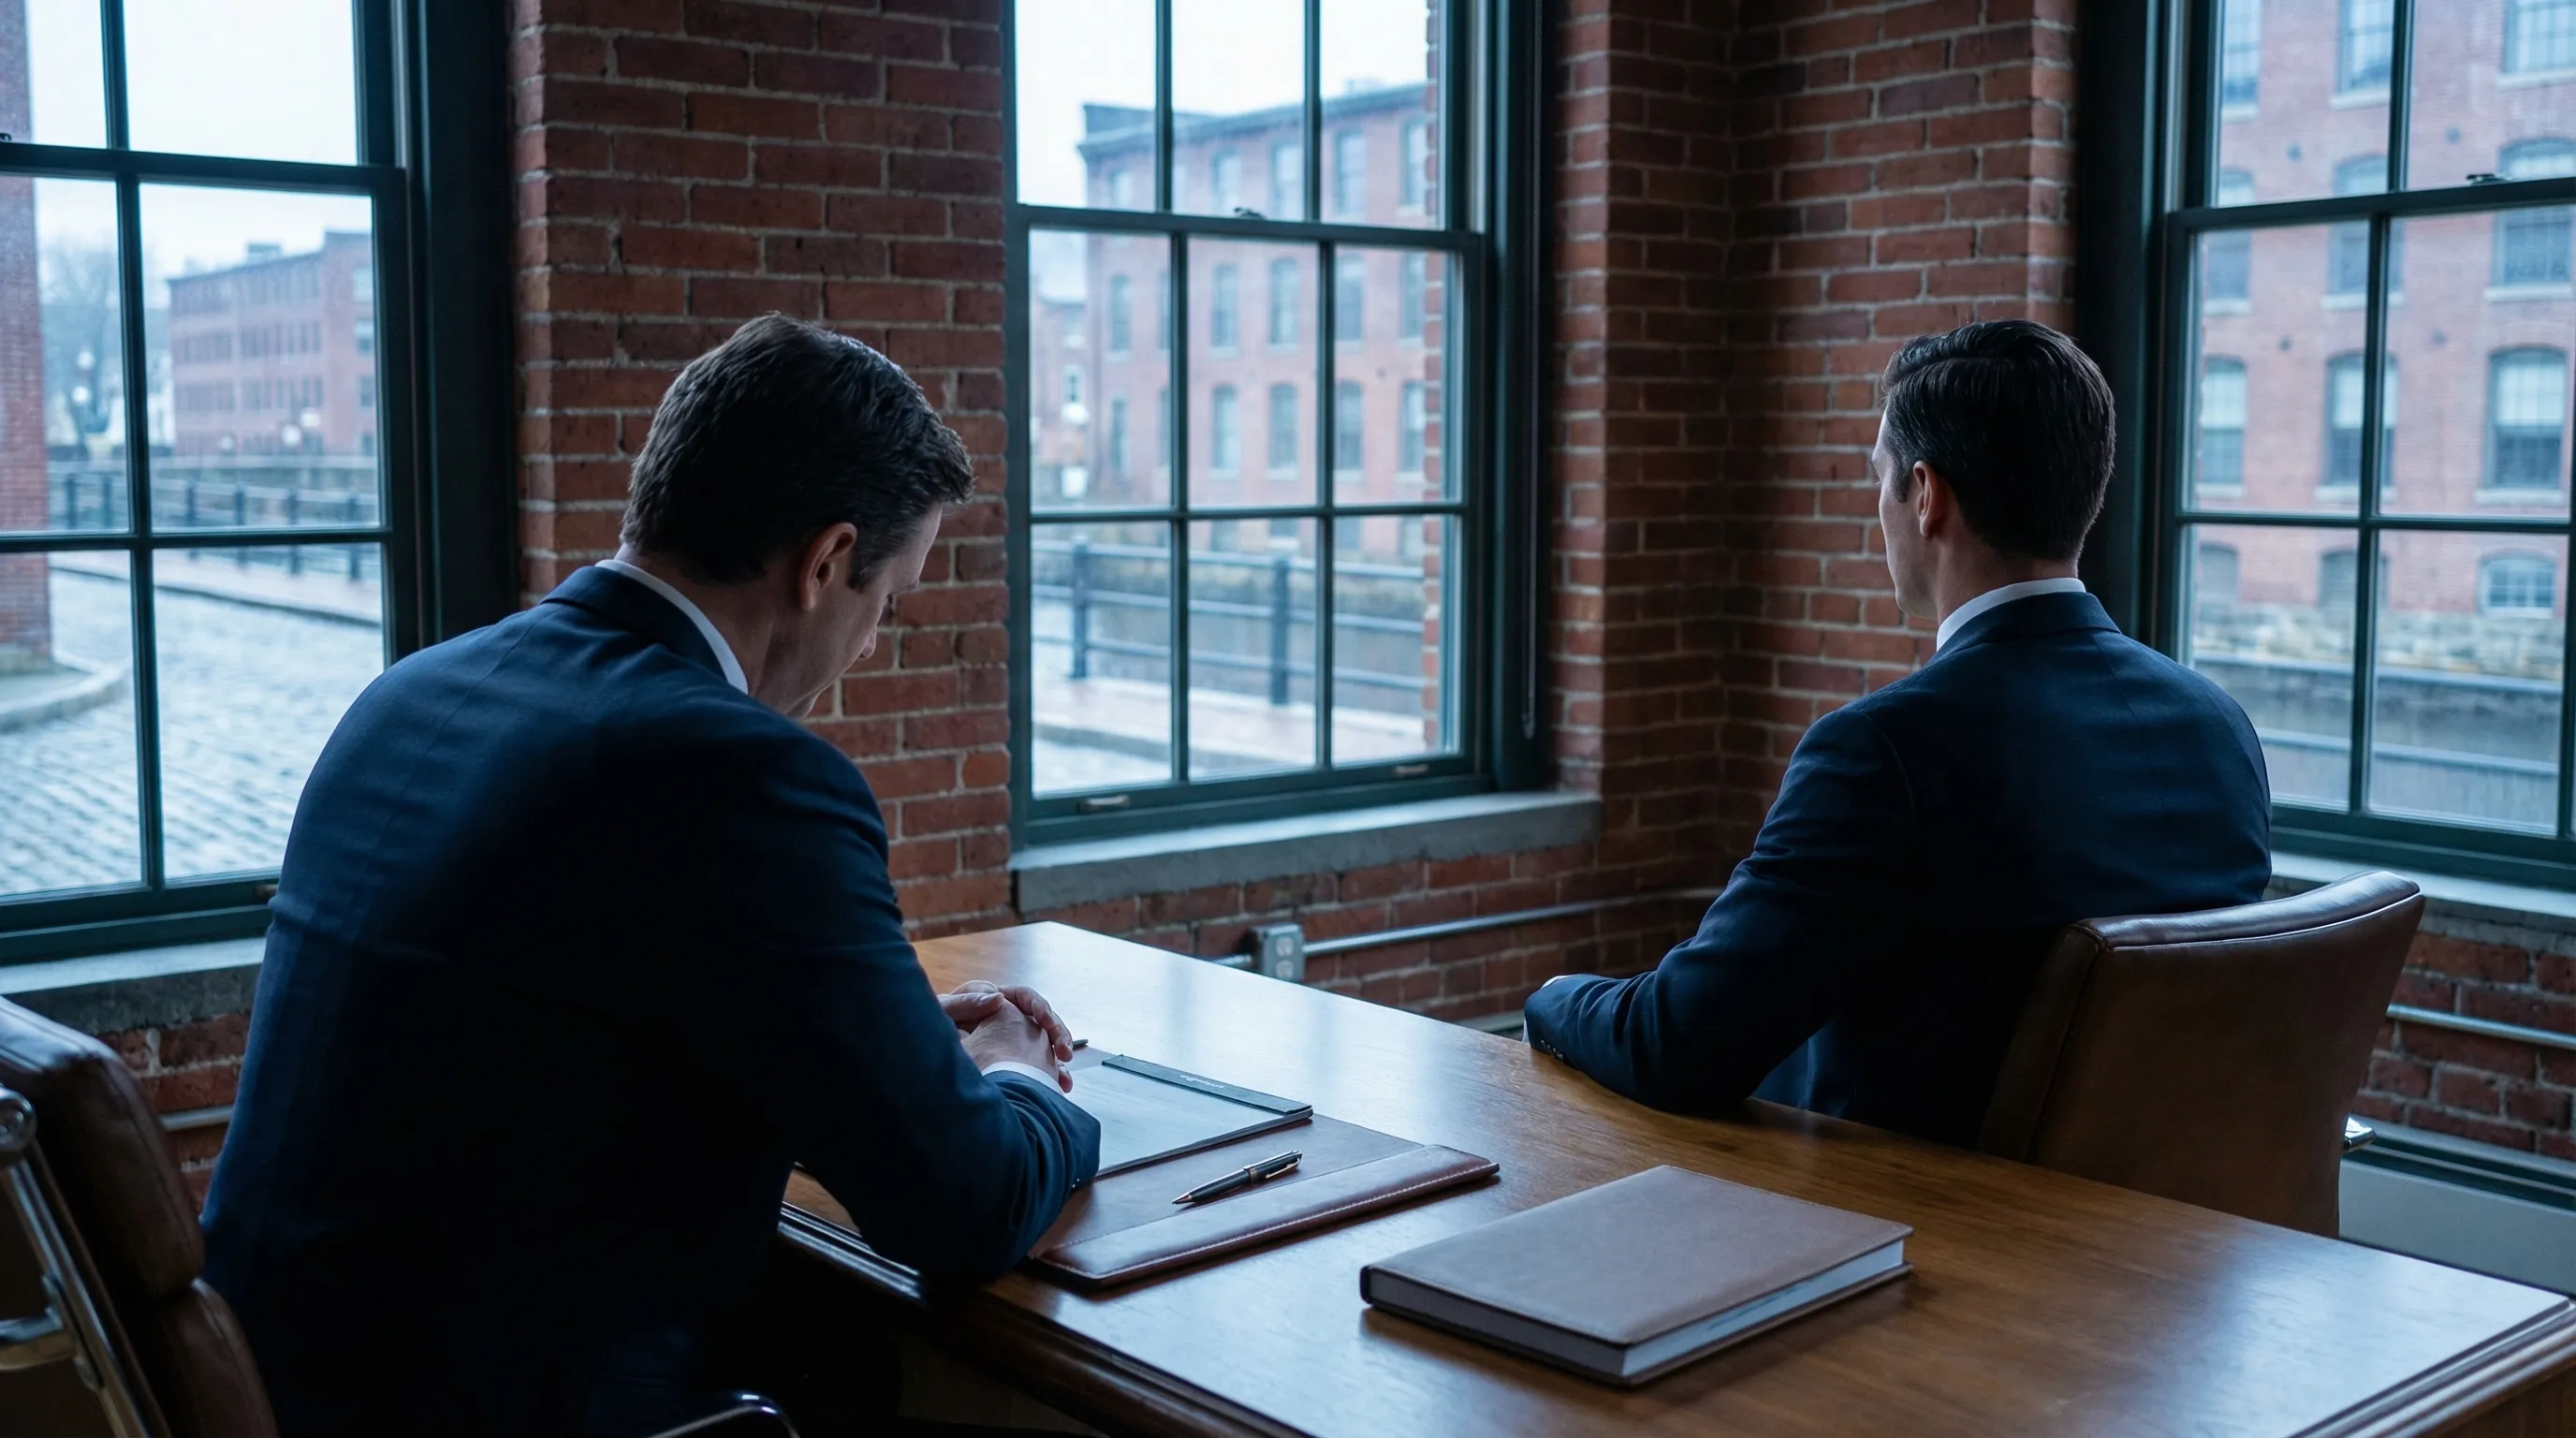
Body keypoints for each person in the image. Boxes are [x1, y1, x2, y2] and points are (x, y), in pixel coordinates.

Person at [202, 315, 1100, 1437]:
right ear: (825, 563)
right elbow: (964, 1209)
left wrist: (879, 1041)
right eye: (889, 598)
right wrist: (1018, 1077)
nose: (873, 640)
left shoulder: (415, 693)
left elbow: (548, 1020)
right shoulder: (746, 776)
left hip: (271, 1380)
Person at [1523, 319, 2272, 1147]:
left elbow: (1675, 1047)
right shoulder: (2219, 727)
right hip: (2159, 1245)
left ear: (1926, 496)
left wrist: (1552, 998)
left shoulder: (1887, 752)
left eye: (1881, 482)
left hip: (1911, 1231)